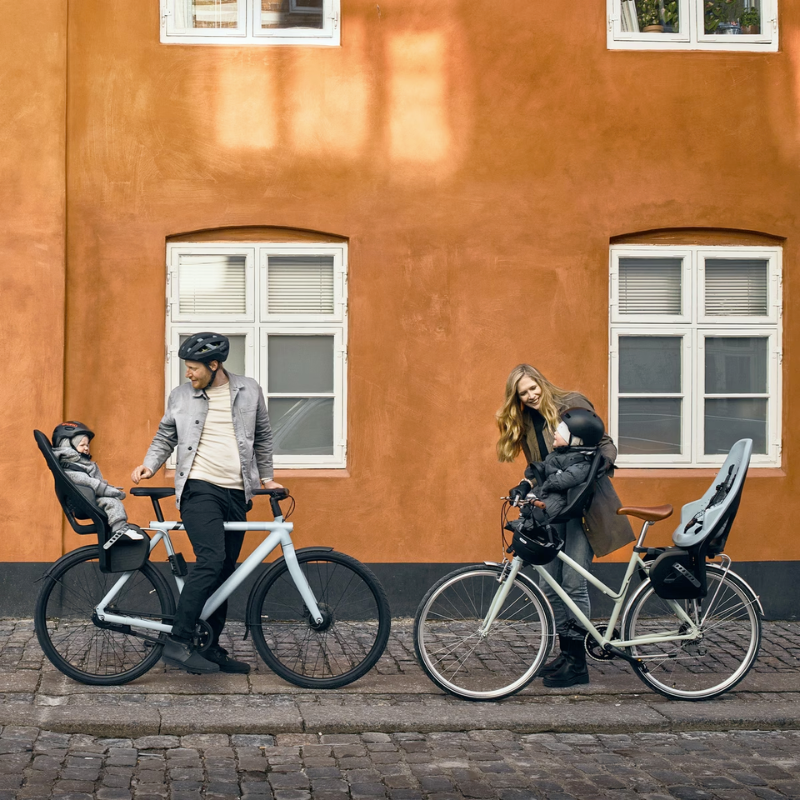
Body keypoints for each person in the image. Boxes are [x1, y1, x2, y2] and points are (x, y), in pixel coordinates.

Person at [131, 332, 283, 676]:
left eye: (194, 368)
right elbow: (166, 436)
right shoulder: (181, 396)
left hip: (237, 492)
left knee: (225, 571)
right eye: (187, 367)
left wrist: (268, 477)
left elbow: (262, 435)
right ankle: (178, 640)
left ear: (214, 366)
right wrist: (150, 464)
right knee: (211, 559)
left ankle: (209, 645)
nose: (188, 374)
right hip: (199, 489)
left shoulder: (249, 390)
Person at [497, 364, 633, 689]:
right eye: (523, 393)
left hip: (582, 508)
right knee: (550, 587)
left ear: (541, 383)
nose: (530, 396)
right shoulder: (529, 423)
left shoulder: (571, 405)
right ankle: (567, 652)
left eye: (532, 388)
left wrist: (590, 474)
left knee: (573, 583)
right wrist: (524, 486)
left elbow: (605, 443)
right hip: (555, 511)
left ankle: (578, 663)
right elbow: (541, 468)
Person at [52, 421, 145, 542]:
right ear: (68, 446)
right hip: (83, 501)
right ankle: (119, 530)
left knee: (112, 502)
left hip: (88, 498)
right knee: (112, 502)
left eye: (87, 445)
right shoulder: (70, 469)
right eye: (82, 445)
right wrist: (110, 491)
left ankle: (118, 530)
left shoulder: (81, 464)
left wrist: (109, 487)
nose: (86, 448)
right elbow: (89, 483)